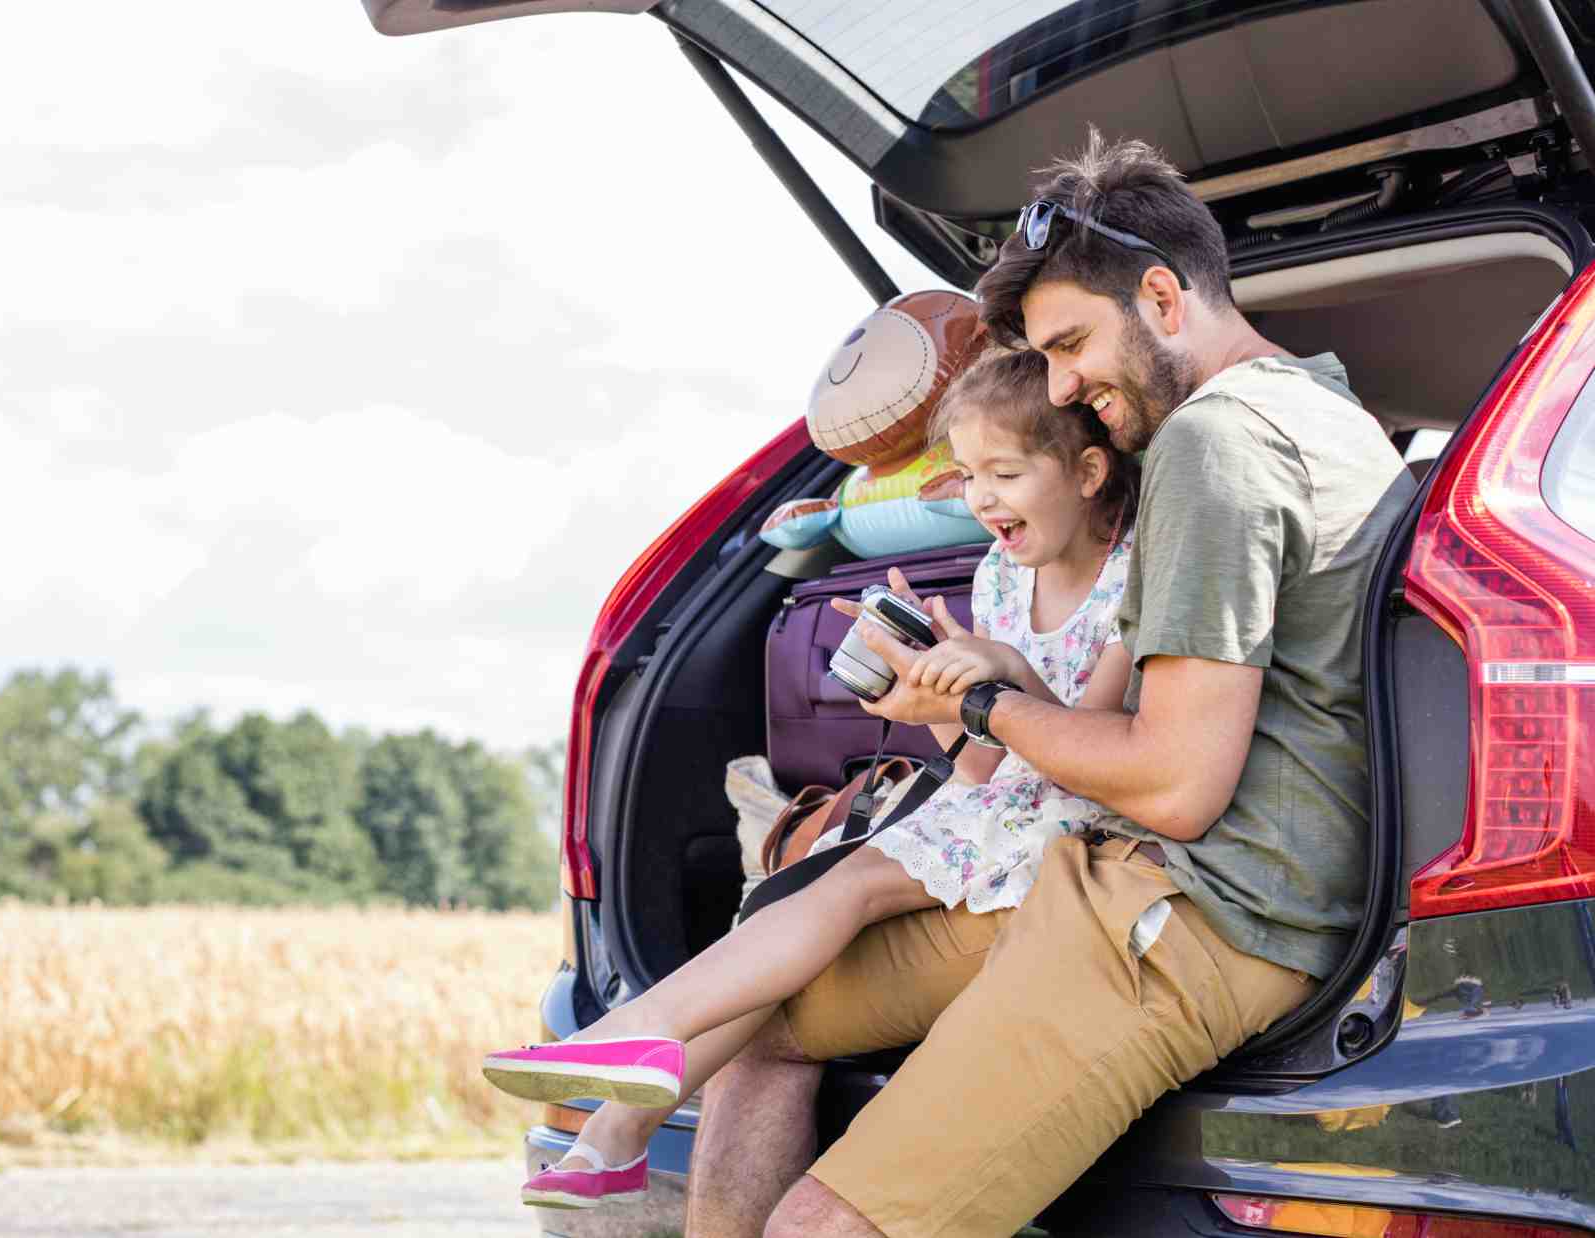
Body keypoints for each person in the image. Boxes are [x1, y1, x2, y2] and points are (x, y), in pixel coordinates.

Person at [667, 130, 1418, 1238]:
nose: (1066, 387)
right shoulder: (1328, 410)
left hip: (1187, 912)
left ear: (1163, 296)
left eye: (1072, 344)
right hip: (1098, 870)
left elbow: (1173, 785)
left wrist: (980, 700)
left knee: (822, 1229)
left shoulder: (1217, 443)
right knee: (759, 1009)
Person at [482, 346, 1139, 1210]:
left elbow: (1098, 757)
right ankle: (623, 1099)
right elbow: (978, 763)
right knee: (804, 891)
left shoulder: (1132, 580)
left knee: (840, 888)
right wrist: (931, 697)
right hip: (993, 813)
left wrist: (1007, 675)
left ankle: (634, 1066)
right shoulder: (998, 574)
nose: (980, 500)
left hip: (1070, 834)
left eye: (1004, 474)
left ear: (1089, 471)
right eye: (968, 476)